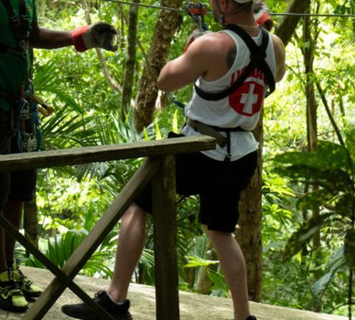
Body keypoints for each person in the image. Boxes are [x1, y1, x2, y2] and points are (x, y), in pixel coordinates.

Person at [62, 0, 285, 319]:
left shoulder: (211, 44)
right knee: (221, 232)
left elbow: (165, 81)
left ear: (223, 3)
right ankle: (242, 316)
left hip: (199, 148)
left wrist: (192, 48)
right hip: (243, 152)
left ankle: (115, 299)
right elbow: (270, 82)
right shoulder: (274, 44)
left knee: (137, 207)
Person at [0, 0, 117, 313]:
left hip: (20, 105)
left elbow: (33, 36)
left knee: (20, 190)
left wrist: (84, 37)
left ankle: (8, 269)